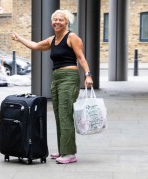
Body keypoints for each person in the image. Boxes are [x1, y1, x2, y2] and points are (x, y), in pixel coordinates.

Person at [11, 9, 93, 164]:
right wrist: (19, 38)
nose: (57, 22)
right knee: (58, 114)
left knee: (65, 114)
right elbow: (35, 46)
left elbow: (81, 57)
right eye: (54, 19)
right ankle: (63, 149)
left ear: (67, 22)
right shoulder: (52, 39)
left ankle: (69, 153)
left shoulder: (72, 37)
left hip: (69, 77)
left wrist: (88, 75)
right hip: (56, 78)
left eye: (60, 19)